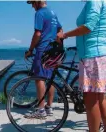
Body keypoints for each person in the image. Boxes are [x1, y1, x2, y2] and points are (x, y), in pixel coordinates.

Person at [58, 1, 106, 131]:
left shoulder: (94, 1)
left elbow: (88, 26)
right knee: (100, 98)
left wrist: (65, 35)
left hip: (92, 55)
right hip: (97, 55)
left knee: (91, 100)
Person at [24, 0, 63, 118]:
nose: (32, 6)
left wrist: (30, 49)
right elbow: (60, 30)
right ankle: (49, 107)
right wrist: (58, 45)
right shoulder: (53, 12)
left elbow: (37, 34)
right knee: (50, 79)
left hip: (43, 49)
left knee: (39, 78)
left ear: (37, 2)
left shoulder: (40, 13)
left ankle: (40, 110)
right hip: (53, 49)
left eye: (32, 3)